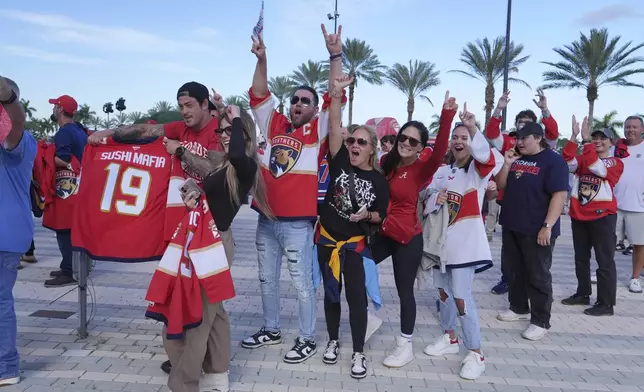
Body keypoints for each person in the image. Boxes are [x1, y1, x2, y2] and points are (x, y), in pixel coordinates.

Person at [240, 26, 343, 364]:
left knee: (301, 285)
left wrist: (334, 57)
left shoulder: (319, 130)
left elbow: (335, 93)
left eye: (306, 101)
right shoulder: (274, 124)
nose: (299, 104)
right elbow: (258, 92)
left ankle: (307, 338)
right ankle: (271, 329)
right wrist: (263, 58)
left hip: (298, 225)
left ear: (315, 109)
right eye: (296, 100)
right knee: (267, 279)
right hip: (266, 221)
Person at [158, 105, 272, 387]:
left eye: (228, 130)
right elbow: (217, 200)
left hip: (214, 244)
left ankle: (184, 382)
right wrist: (196, 198)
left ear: (242, 132)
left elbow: (235, 152)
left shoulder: (245, 165)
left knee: (198, 315)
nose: (221, 134)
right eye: (219, 130)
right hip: (207, 239)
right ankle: (218, 372)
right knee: (214, 311)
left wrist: (234, 120)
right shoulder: (224, 164)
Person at [422, 105, 503, 380]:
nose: (459, 141)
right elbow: (426, 197)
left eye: (464, 137)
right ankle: (449, 338)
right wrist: (435, 199)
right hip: (440, 247)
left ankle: (476, 352)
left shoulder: (478, 172)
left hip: (466, 247)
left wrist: (473, 127)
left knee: (461, 297)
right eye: (456, 137)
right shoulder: (443, 170)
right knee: (442, 294)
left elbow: (489, 159)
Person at [317, 74, 389, 378]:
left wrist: (366, 217)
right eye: (352, 141)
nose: (354, 145)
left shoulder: (379, 180)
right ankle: (333, 341)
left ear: (371, 148)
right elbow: (334, 127)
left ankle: (358, 352)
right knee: (331, 294)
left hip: (356, 247)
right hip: (327, 240)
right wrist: (336, 94)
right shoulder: (340, 162)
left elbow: (381, 216)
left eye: (361, 142)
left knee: (356, 299)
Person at [374, 91, 452, 368]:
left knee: (404, 290)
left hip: (408, 238)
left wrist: (446, 117)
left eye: (412, 140)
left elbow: (441, 149)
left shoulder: (421, 168)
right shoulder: (387, 162)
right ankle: (368, 314)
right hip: (383, 231)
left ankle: (405, 344)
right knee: (355, 260)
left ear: (420, 147)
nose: (405, 143)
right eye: (402, 138)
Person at [495, 121, 568, 341]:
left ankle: (541, 320)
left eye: (524, 138)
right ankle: (518, 307)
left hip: (537, 229)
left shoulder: (553, 161)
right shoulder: (517, 158)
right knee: (515, 270)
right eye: (517, 138)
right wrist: (507, 165)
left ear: (538, 138)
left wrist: (547, 226)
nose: (519, 142)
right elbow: (500, 185)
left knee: (538, 274)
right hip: (512, 225)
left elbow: (559, 195)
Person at [485, 90, 560, 295]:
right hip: (509, 199)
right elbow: (491, 133)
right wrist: (498, 109)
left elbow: (553, 133)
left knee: (533, 254)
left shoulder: (542, 145)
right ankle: (506, 279)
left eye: (527, 122)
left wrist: (545, 109)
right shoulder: (510, 141)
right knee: (509, 246)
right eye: (519, 122)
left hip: (534, 205)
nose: (522, 126)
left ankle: (531, 288)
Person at [88, 82, 223, 184]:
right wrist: (107, 132)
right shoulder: (181, 127)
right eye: (181, 107)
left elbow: (214, 173)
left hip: (211, 210)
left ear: (204, 104)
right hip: (188, 205)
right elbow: (144, 130)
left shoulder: (219, 130)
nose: (184, 112)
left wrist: (181, 151)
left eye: (189, 105)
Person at [561, 116, 623, 315]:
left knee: (604, 261)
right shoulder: (584, 158)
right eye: (594, 138)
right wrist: (573, 137)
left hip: (602, 217)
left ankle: (606, 304)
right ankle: (583, 293)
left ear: (611, 142)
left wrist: (586, 142)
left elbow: (598, 168)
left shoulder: (615, 162)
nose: (597, 141)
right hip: (579, 216)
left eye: (602, 138)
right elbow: (567, 162)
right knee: (581, 258)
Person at [0, 76, 36, 387]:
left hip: (5, 235)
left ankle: (5, 367)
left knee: (0, 300)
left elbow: (14, 126)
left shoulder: (19, 142)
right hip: (10, 232)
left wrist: (7, 97)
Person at [45, 95, 87, 287]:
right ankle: (68, 266)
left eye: (55, 107)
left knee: (63, 229)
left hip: (67, 187)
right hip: (79, 186)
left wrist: (44, 154)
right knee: (71, 229)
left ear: (60, 110)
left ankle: (69, 271)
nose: (53, 110)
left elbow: (64, 159)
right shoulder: (79, 130)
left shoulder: (63, 132)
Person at [613, 116, 644, 293]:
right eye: (627, 127)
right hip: (614, 205)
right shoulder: (616, 148)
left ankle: (635, 278)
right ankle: (603, 271)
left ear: (642, 129)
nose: (630, 130)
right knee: (607, 242)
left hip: (639, 207)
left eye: (634, 127)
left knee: (639, 244)